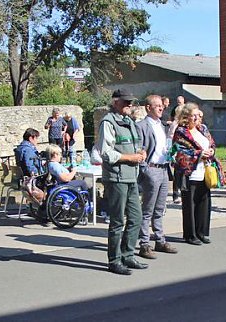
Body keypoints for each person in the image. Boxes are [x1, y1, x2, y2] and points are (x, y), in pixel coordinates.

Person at [97, 88, 148, 275]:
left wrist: (141, 153)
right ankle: (114, 260)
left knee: (136, 218)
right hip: (117, 177)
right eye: (126, 102)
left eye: (131, 102)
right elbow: (105, 152)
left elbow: (137, 145)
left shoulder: (130, 122)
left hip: (131, 176)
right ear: (115, 102)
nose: (130, 105)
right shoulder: (108, 122)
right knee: (117, 221)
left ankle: (128, 255)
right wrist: (131, 157)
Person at [172, 103, 224, 246]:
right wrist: (199, 154)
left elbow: (211, 143)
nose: (197, 118)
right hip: (190, 172)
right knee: (190, 204)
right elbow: (179, 151)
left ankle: (202, 232)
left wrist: (212, 151)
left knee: (204, 202)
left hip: (205, 170)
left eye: (198, 115)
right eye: (193, 115)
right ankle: (191, 235)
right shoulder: (181, 131)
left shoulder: (203, 128)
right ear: (186, 116)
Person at [135, 95, 178, 260]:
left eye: (162, 106)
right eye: (157, 106)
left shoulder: (162, 125)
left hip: (163, 169)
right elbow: (140, 148)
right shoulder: (142, 126)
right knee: (148, 210)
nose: (161, 108)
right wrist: (144, 169)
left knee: (160, 209)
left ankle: (160, 240)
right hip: (151, 169)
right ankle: (144, 244)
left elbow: (165, 147)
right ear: (148, 107)